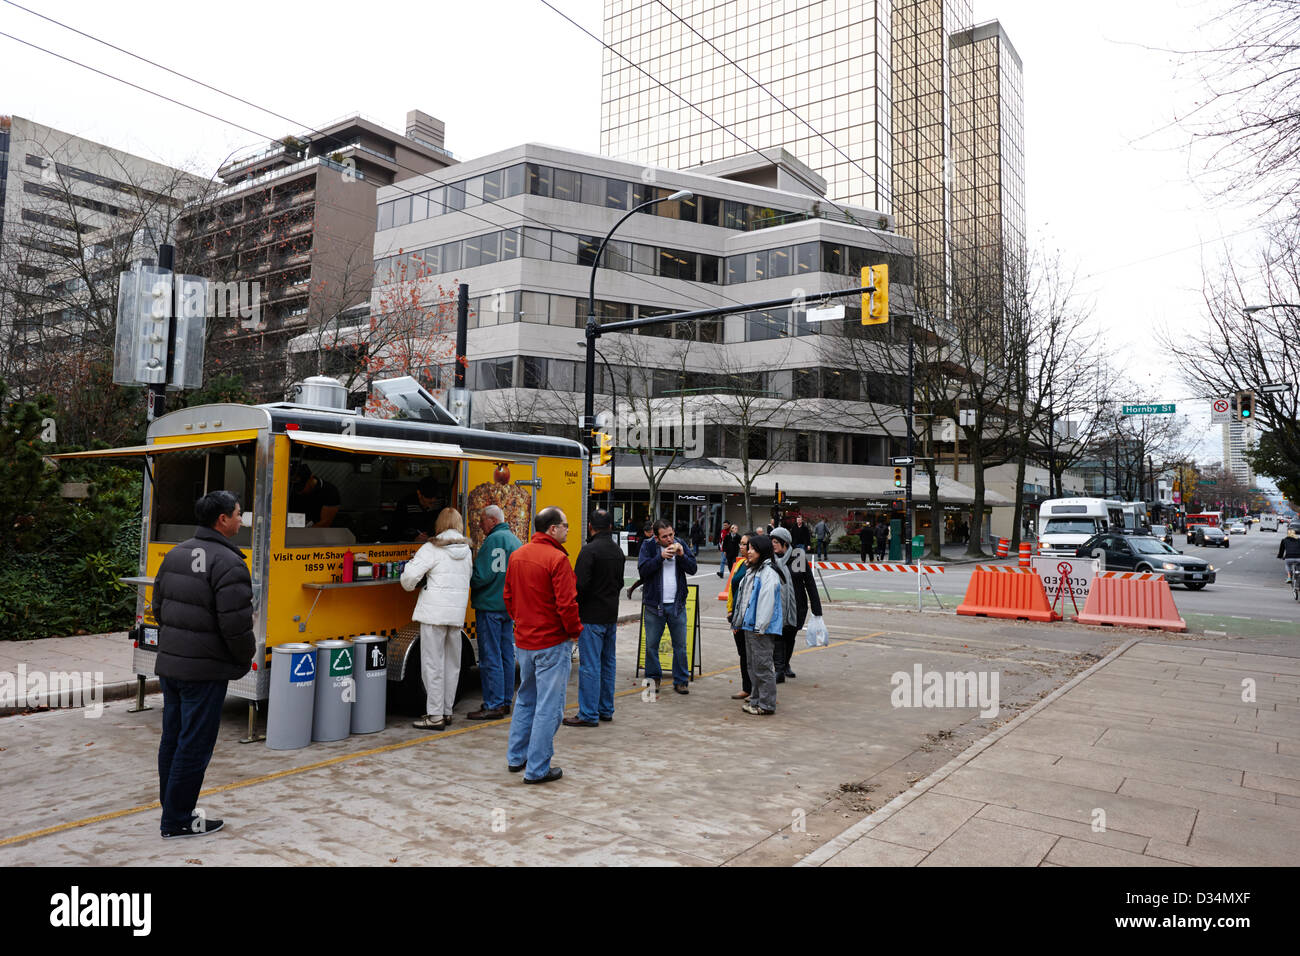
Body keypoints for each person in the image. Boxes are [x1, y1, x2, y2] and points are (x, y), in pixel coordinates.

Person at [152, 490, 256, 838]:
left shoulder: (175, 555)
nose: (242, 519)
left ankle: (173, 809)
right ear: (222, 519)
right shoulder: (230, 563)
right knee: (194, 744)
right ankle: (178, 819)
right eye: (239, 514)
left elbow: (158, 608)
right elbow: (236, 625)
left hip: (172, 667)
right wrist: (243, 658)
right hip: (205, 671)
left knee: (174, 738)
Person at [503, 506, 580, 783]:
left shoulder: (518, 556)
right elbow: (567, 604)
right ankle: (537, 768)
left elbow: (509, 597)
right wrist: (574, 632)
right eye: (565, 525)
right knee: (549, 707)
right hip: (551, 642)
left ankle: (516, 757)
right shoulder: (557, 560)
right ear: (553, 529)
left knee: (525, 699)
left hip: (525, 641)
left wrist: (522, 622)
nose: (568, 530)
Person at [400, 508, 473, 731]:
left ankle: (434, 716)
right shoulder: (467, 550)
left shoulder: (431, 548)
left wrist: (412, 584)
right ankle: (447, 711)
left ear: (439, 524)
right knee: (452, 665)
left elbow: (409, 578)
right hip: (456, 615)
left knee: (432, 665)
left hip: (434, 614)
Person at [566, 509, 625, 727]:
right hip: (610, 614)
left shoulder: (589, 551)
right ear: (611, 526)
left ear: (591, 526)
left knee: (589, 666)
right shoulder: (618, 552)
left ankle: (588, 713)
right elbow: (619, 583)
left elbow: (579, 585)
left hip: (591, 616)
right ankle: (605, 709)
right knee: (608, 663)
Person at [467, 505, 522, 720]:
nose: (480, 525)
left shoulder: (492, 541)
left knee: (490, 656)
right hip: (507, 608)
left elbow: (481, 575)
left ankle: (494, 703)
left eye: (482, 521)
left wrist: (468, 578)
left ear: (492, 520)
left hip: (489, 606)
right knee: (507, 654)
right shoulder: (515, 541)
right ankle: (506, 700)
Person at [637, 518, 698, 694]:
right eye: (665, 537)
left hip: (677, 604)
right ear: (656, 538)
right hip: (654, 605)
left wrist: (681, 555)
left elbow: (693, 568)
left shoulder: (680, 544)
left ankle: (680, 681)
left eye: (671, 534)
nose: (670, 539)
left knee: (680, 645)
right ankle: (653, 679)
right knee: (651, 645)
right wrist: (660, 557)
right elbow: (643, 571)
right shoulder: (648, 547)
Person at [733, 534, 784, 715]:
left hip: (760, 629)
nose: (749, 551)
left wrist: (761, 626)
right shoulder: (753, 570)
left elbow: (766, 601)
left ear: (762, 552)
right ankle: (755, 700)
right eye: (749, 548)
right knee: (752, 666)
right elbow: (743, 598)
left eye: (753, 548)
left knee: (762, 667)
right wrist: (737, 621)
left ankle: (766, 704)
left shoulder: (768, 573)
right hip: (749, 626)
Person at [771, 526, 823, 682]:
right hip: (776, 606)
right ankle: (779, 670)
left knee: (790, 637)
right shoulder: (771, 558)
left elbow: (809, 583)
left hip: (797, 607)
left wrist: (816, 608)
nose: (773, 545)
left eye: (776, 542)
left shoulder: (797, 557)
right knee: (778, 637)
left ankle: (785, 664)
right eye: (771, 541)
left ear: (785, 543)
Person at [725, 532, 753, 700]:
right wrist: (730, 611)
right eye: (741, 544)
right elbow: (732, 589)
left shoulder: (757, 566)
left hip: (749, 618)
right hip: (737, 617)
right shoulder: (739, 564)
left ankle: (755, 689)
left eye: (744, 544)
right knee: (743, 654)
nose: (741, 547)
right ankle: (746, 687)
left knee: (753, 655)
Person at [390, 476, 442, 543]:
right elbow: (394, 531)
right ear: (419, 493)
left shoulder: (439, 504)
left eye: (435, 497)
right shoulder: (405, 504)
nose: (433, 500)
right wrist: (413, 539)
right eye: (428, 497)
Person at [288, 463, 340, 528]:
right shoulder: (288, 488)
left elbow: (325, 522)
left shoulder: (330, 491)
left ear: (311, 478)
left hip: (316, 531)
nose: (298, 492)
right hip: (292, 526)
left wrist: (304, 534)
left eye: (300, 487)